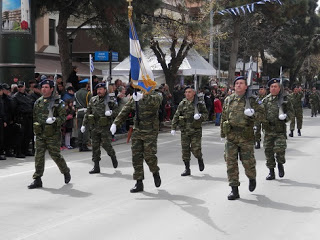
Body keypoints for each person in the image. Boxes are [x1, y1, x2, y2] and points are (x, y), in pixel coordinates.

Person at [220, 76, 264, 200]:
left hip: (246, 136)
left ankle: (252, 177)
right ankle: (234, 189)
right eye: (237, 83)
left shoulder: (253, 100)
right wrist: (223, 134)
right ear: (234, 86)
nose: (238, 85)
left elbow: (262, 116)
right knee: (230, 163)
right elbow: (224, 117)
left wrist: (253, 114)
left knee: (248, 162)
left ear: (246, 86)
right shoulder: (228, 99)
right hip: (231, 136)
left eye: (241, 83)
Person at [110, 89, 162, 193]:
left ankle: (155, 171)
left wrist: (143, 97)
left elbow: (157, 101)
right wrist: (115, 123)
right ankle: (139, 182)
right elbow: (125, 110)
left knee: (149, 155)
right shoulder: (135, 96)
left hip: (150, 130)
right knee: (136, 156)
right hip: (137, 130)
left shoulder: (155, 94)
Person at [28, 79, 71, 189]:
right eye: (42, 87)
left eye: (46, 87)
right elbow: (35, 118)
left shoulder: (58, 102)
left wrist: (54, 120)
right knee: (39, 156)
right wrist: (34, 132)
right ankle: (37, 179)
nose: (44, 89)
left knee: (55, 155)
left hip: (53, 134)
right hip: (40, 134)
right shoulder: (38, 102)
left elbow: (63, 118)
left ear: (52, 89)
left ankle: (65, 171)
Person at [171, 86, 208, 176]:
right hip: (184, 130)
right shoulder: (182, 103)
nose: (187, 94)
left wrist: (200, 116)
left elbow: (206, 114)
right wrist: (173, 127)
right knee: (185, 151)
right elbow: (176, 115)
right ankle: (187, 169)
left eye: (189, 92)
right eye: (186, 92)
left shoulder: (199, 103)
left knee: (195, 149)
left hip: (196, 130)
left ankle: (199, 158)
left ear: (193, 93)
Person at [81, 83, 118, 174]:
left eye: (101, 89)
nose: (99, 91)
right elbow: (88, 112)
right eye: (98, 90)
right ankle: (96, 166)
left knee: (106, 145)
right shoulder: (93, 100)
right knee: (95, 147)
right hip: (94, 127)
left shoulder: (111, 100)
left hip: (105, 127)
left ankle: (112, 156)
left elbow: (118, 112)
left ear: (105, 90)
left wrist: (111, 112)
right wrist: (83, 124)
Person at [262, 78, 293, 181]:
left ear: (280, 88)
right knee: (268, 151)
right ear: (269, 88)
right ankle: (271, 171)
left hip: (280, 129)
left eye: (276, 86)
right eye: (272, 87)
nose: (273, 88)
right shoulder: (265, 100)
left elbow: (291, 113)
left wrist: (286, 117)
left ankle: (280, 164)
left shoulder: (285, 99)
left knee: (280, 149)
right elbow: (260, 114)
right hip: (268, 130)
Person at [12, 81, 34, 158]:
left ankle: (25, 150)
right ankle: (19, 151)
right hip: (21, 117)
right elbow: (13, 109)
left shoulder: (27, 96)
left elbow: (31, 105)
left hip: (28, 117)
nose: (20, 88)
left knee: (28, 134)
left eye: (22, 86)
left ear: (24, 87)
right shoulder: (15, 97)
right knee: (20, 135)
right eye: (19, 87)